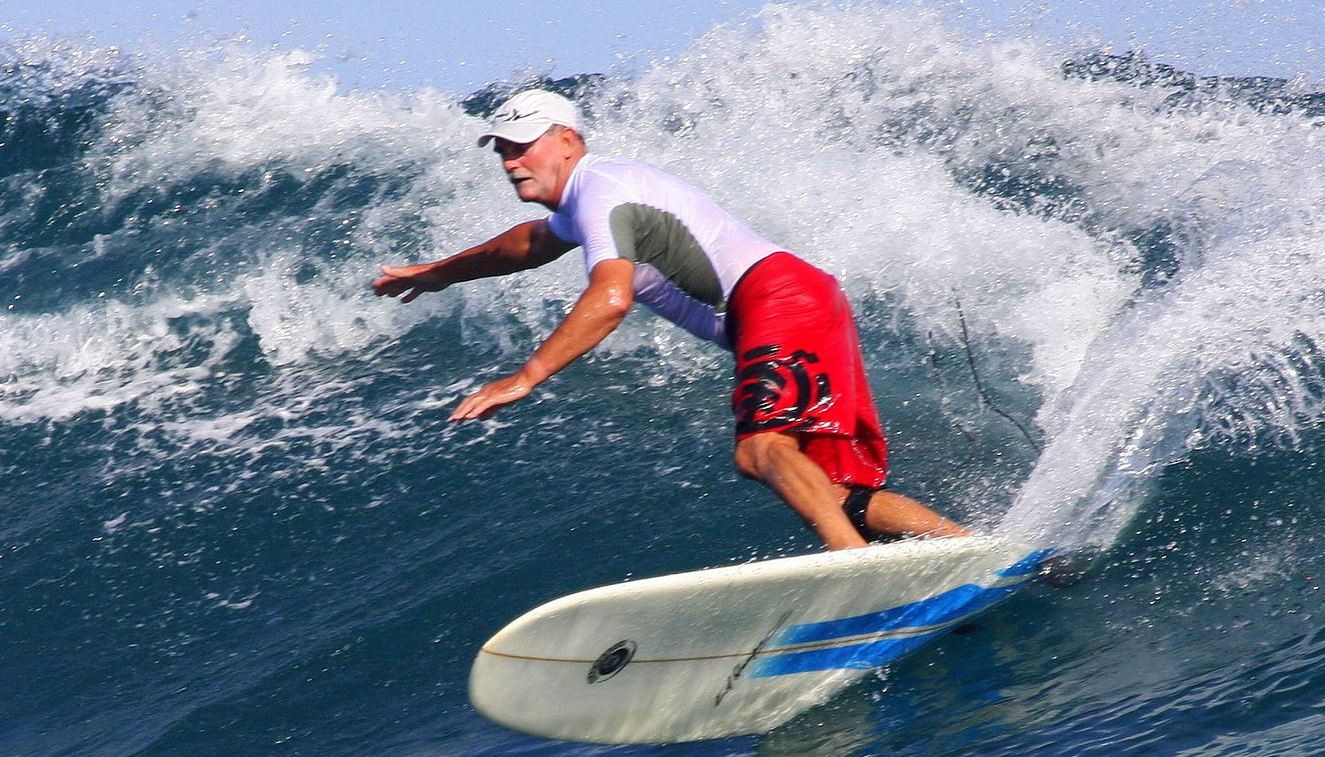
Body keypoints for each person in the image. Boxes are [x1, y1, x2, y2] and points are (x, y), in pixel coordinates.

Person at [372, 89, 967, 550]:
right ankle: (969, 551)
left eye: (522, 145)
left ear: (567, 141)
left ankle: (852, 566)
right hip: (796, 303)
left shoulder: (600, 188)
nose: (510, 161)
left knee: (759, 448)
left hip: (776, 299)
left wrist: (526, 377)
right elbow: (528, 245)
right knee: (831, 489)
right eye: (502, 149)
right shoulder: (584, 203)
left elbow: (610, 299)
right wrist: (442, 271)